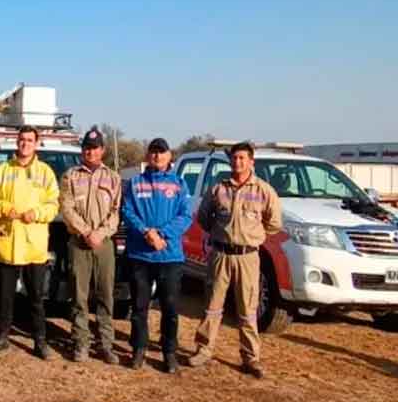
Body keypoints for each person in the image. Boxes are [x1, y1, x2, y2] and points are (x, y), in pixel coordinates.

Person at [187, 141, 282, 379]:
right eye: (234, 158)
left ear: (251, 161)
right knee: (212, 306)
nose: (237, 162)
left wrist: (251, 236)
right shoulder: (218, 189)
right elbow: (204, 218)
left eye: (242, 158)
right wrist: (222, 235)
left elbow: (274, 223)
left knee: (248, 309)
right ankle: (203, 350)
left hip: (248, 257)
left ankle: (251, 358)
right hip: (220, 255)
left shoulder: (263, 191)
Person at [0, 125, 60, 360]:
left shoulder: (46, 172)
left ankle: (40, 341)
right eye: (22, 139)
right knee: (5, 297)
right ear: (17, 142)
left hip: (34, 246)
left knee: (36, 298)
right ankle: (2, 338)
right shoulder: (3, 170)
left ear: (36, 144)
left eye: (29, 140)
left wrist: (36, 213)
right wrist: (6, 209)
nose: (25, 143)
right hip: (8, 243)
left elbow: (53, 205)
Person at [121, 138, 191, 373]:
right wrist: (145, 232)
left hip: (169, 256)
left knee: (170, 308)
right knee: (139, 307)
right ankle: (138, 348)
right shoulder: (135, 183)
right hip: (140, 255)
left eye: (162, 152)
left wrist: (161, 234)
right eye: (153, 152)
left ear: (170, 156)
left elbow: (185, 216)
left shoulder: (179, 184)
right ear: (148, 155)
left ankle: (169, 352)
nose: (157, 156)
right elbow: (127, 211)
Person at [59, 127, 121, 365]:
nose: (90, 152)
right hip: (79, 243)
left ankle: (106, 344)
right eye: (86, 148)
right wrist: (86, 231)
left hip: (103, 245)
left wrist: (100, 233)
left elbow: (115, 213)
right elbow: (67, 208)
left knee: (106, 295)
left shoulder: (113, 178)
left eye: (94, 148)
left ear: (102, 150)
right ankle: (81, 343)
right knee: (79, 296)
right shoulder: (70, 176)